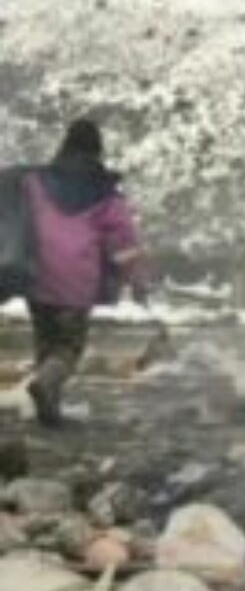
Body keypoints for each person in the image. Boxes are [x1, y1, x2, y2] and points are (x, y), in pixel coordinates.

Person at [21, 118, 151, 427]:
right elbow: (124, 239)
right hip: (76, 280)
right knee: (68, 346)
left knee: (46, 339)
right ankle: (46, 386)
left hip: (36, 274)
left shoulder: (35, 182)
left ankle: (49, 407)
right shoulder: (105, 192)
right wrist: (138, 280)